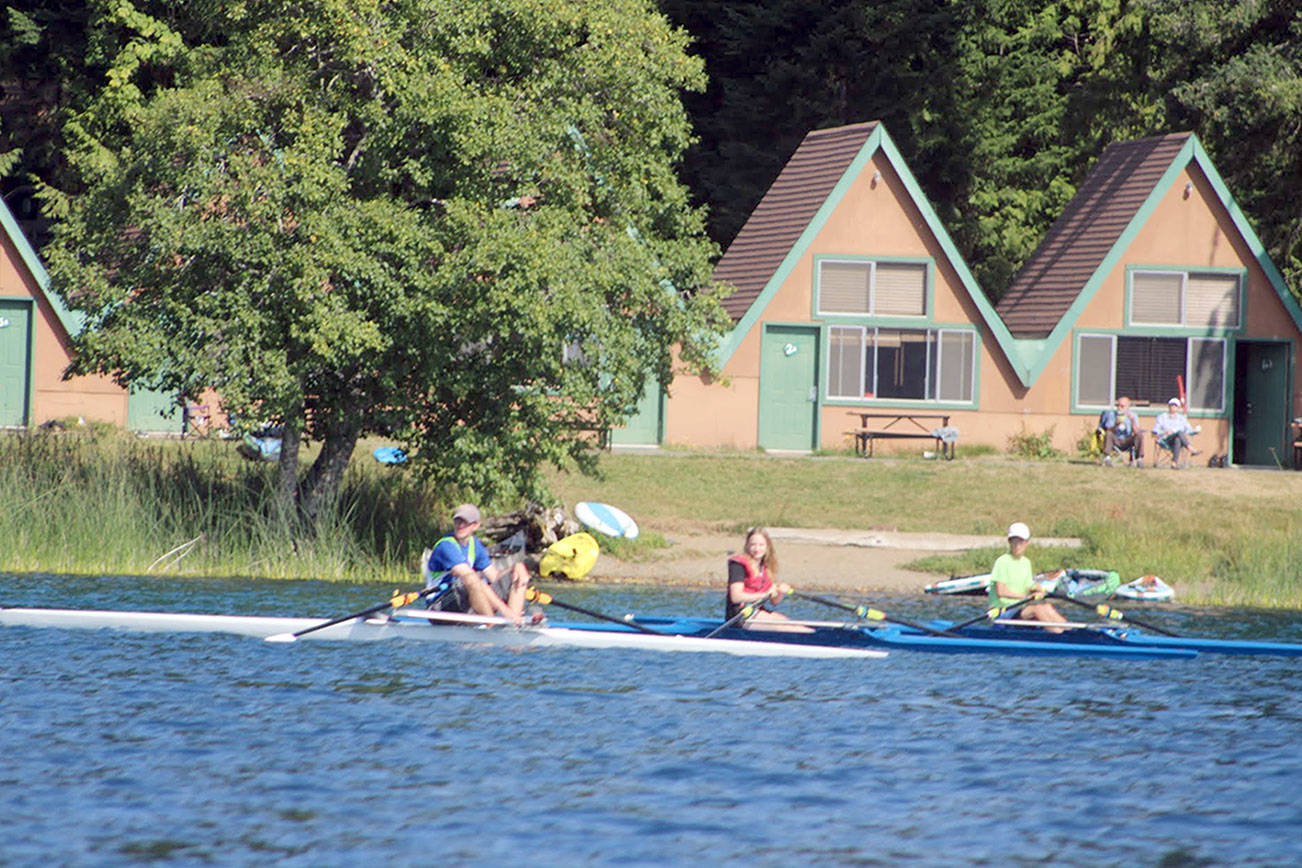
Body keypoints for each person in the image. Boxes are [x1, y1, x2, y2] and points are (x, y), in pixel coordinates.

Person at [425, 503, 531, 624]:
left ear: (476, 525)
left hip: (463, 602)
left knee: (517, 574)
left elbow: (495, 576)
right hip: (439, 608)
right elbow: (471, 579)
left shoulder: (474, 544)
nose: (460, 525)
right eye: (457, 521)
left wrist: (517, 567)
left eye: (465, 522)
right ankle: (493, 624)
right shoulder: (446, 546)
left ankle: (513, 624)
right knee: (471, 578)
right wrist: (504, 610)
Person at [988, 522, 1066, 633]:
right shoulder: (1002, 562)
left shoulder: (1026, 563)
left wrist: (1039, 589)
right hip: (1002, 612)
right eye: (1014, 541)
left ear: (1027, 543)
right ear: (1009, 542)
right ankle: (1060, 637)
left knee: (1047, 607)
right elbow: (1001, 591)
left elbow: (1029, 585)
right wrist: (1026, 597)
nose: (1017, 546)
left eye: (1021, 541)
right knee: (1037, 609)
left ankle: (1070, 632)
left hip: (1018, 609)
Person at [725, 527, 807, 631]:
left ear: (767, 547)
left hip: (758, 611)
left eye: (761, 545)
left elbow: (774, 602)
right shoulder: (738, 565)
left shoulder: (766, 568)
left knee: (791, 624)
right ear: (747, 546)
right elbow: (736, 597)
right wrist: (764, 595)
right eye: (753, 544)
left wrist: (780, 591)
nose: (757, 549)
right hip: (740, 615)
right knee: (784, 627)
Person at [1151, 397, 1201, 468]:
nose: (1173, 407)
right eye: (1172, 405)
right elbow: (1155, 430)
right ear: (1169, 407)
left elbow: (1189, 430)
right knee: (1179, 433)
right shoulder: (1162, 417)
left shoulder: (1182, 419)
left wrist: (1196, 430)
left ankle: (1174, 463)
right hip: (1165, 440)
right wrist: (1165, 432)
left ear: (1178, 408)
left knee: (1178, 438)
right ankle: (1190, 448)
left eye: (1175, 406)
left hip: (1178, 441)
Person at [1098, 396, 1145, 467]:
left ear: (1128, 407)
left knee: (1139, 435)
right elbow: (1108, 430)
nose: (1119, 408)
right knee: (1108, 434)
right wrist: (1116, 424)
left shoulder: (1133, 415)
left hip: (1127, 439)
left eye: (1122, 406)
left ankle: (1139, 459)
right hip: (1116, 439)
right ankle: (1107, 458)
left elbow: (1136, 432)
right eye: (1118, 405)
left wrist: (1132, 421)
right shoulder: (1112, 415)